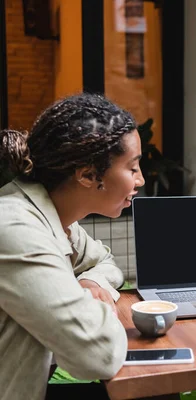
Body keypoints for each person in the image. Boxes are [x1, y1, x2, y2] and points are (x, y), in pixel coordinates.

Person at [0, 93, 145, 400]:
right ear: (88, 174)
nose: (141, 179)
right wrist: (94, 303)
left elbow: (105, 261)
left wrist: (91, 281)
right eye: (132, 168)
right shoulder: (16, 230)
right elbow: (98, 355)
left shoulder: (56, 219)